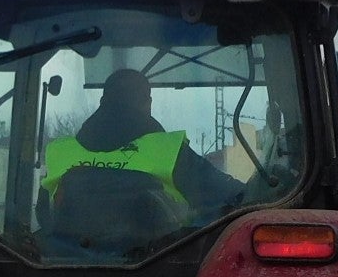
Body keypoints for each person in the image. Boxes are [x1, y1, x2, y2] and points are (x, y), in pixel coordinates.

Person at [39, 68, 245, 238]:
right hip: (163, 272)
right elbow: (234, 199)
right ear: (147, 103)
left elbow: (43, 214)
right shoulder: (168, 151)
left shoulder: (60, 152)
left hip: (66, 273)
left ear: (103, 102)